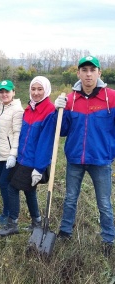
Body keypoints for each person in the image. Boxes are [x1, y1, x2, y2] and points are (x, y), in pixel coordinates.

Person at [55, 55, 115, 256]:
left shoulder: (111, 98)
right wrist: (59, 111)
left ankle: (108, 239)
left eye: (92, 70)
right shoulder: (70, 99)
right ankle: (65, 233)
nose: (88, 74)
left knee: (104, 203)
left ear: (99, 73)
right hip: (75, 159)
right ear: (78, 73)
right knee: (70, 198)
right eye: (84, 70)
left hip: (101, 160)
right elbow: (62, 131)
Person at [0, 76, 56, 236]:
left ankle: (12, 223)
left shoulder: (50, 111)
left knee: (11, 187)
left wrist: (39, 168)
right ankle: (36, 222)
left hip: (33, 161)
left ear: (46, 90)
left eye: (40, 89)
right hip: (22, 157)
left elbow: (46, 142)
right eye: (33, 89)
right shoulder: (30, 108)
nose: (36, 93)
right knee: (30, 191)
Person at [0, 80, 24, 225]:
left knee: (6, 184)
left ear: (13, 92)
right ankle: (7, 210)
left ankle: (9, 214)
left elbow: (17, 133)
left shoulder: (17, 110)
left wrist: (13, 154)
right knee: (1, 184)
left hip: (9, 156)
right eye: (1, 91)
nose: (4, 94)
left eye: (7, 91)